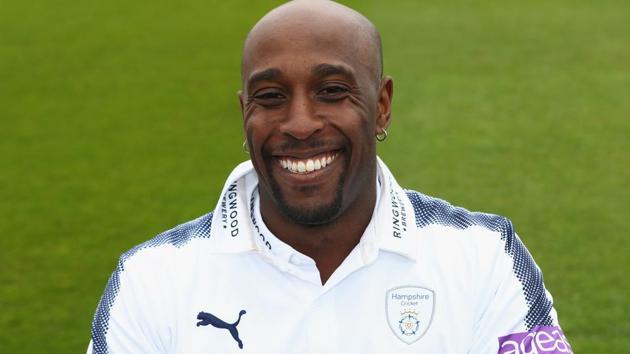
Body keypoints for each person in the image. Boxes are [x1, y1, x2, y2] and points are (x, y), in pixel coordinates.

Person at [88, 1, 572, 353]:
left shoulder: (484, 257)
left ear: (381, 107)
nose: (299, 124)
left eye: (332, 90)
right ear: (244, 114)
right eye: (271, 96)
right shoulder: (151, 281)